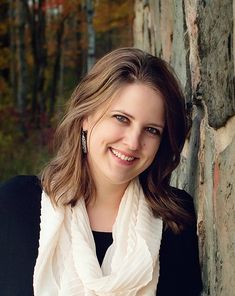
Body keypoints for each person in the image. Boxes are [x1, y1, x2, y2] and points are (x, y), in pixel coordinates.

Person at [0, 48, 202, 296]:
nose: (132, 142)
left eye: (151, 130)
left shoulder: (175, 222)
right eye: (121, 118)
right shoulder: (15, 205)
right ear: (86, 116)